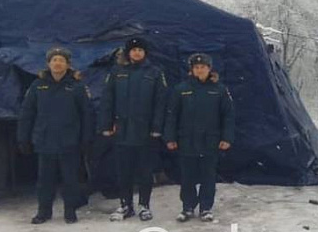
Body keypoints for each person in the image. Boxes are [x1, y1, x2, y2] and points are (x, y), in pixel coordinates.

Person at [17, 47, 93, 224]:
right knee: (45, 180)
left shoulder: (76, 87)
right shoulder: (38, 86)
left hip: (69, 141)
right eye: (54, 60)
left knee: (70, 179)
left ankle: (70, 211)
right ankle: (43, 212)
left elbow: (87, 115)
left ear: (68, 64)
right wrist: (23, 138)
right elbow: (27, 113)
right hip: (45, 141)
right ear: (48, 64)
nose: (57, 63)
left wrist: (86, 138)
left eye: (61, 60)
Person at [99, 37, 167, 221]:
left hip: (145, 131)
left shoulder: (154, 72)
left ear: (145, 53)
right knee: (123, 170)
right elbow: (107, 100)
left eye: (140, 50)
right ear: (128, 52)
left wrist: (156, 127)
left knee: (145, 170)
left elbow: (161, 102)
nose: (137, 53)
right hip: (121, 130)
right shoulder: (117, 72)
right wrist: (106, 124)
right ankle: (125, 205)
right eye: (134, 49)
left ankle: (144, 205)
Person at [164, 53, 234, 222]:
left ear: (209, 69)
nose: (200, 70)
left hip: (210, 141)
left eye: (203, 67)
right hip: (187, 140)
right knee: (187, 176)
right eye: (196, 67)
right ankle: (187, 207)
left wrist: (227, 137)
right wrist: (170, 137)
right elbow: (172, 115)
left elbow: (228, 116)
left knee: (208, 177)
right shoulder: (181, 89)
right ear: (192, 70)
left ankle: (205, 208)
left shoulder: (219, 90)